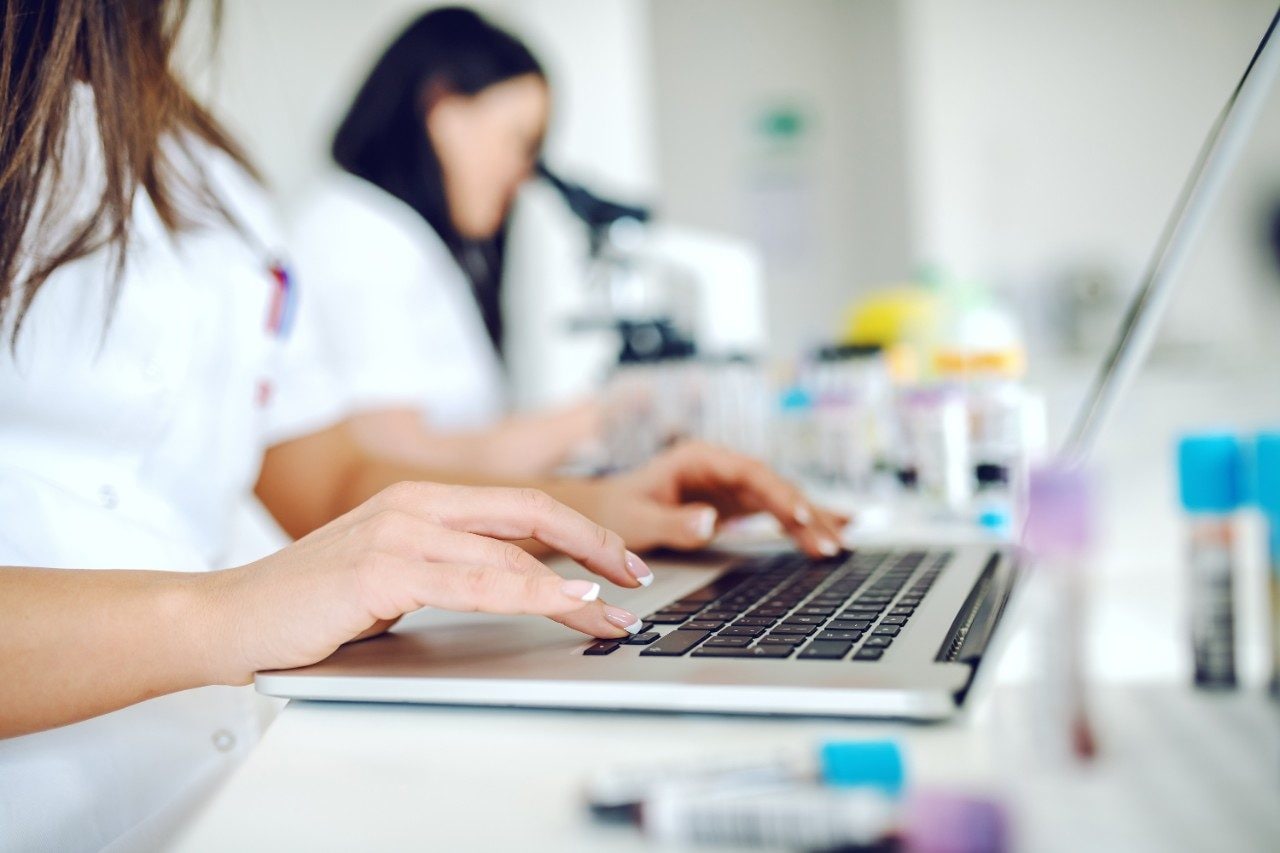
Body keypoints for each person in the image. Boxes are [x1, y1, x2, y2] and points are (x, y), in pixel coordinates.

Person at [0, 2, 845, 849]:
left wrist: (590, 509)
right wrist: (232, 611)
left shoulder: (210, 176)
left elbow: (326, 482)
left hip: (230, 770)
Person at [293, 7, 593, 477]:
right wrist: (599, 419)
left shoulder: (403, 238)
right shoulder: (358, 234)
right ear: (443, 109)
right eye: (519, 140)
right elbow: (392, 464)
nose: (526, 175)